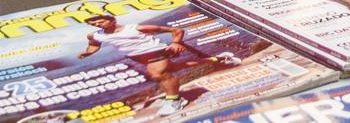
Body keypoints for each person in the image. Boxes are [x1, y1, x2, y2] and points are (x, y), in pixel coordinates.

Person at [78, 14, 239, 117]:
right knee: (175, 68)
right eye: (95, 23)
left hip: (156, 51)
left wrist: (176, 43)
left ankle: (175, 100)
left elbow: (176, 30)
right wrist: (88, 53)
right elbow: (94, 44)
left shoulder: (137, 28)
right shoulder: (95, 35)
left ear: (112, 19)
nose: (99, 24)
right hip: (137, 57)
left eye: (101, 21)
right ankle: (219, 59)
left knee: (158, 74)